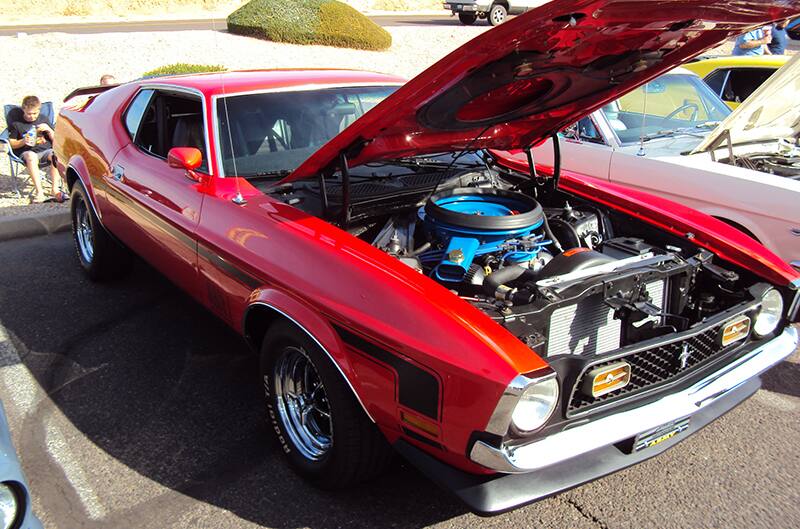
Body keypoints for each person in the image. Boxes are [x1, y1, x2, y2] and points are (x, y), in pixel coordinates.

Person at [7, 95, 67, 203]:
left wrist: (49, 130)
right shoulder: (17, 124)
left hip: (45, 151)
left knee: (56, 154)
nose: (32, 116)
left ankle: (55, 189)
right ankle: (39, 193)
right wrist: (23, 141)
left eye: (35, 113)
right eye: (29, 113)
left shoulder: (43, 119)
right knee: (31, 156)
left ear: (39, 110)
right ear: (23, 110)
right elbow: (12, 144)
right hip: (27, 152)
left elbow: (56, 141)